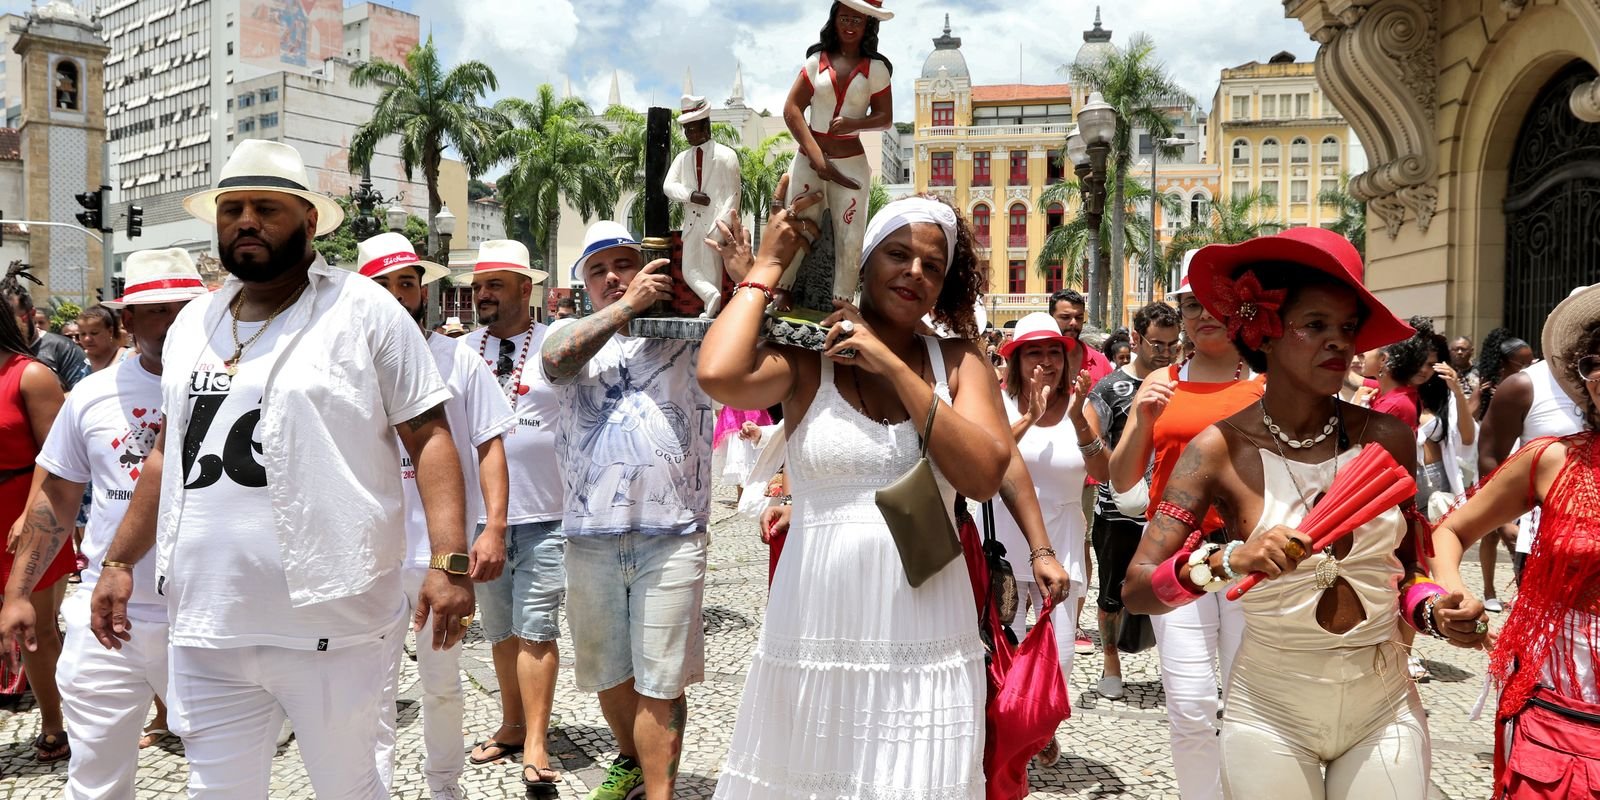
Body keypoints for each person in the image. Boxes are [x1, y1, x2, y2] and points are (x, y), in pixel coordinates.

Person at [86, 139, 475, 798]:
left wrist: (449, 562)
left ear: (309, 221)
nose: (245, 221)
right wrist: (120, 561)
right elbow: (165, 456)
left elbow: (429, 433)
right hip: (209, 623)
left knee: (350, 788)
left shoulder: (363, 310)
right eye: (232, 208)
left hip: (335, 623)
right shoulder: (192, 325)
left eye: (266, 208)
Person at [1122, 228, 1487, 799]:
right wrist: (1226, 561)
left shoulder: (1386, 436)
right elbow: (1138, 589)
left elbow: (1408, 573)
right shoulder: (1218, 449)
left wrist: (1438, 614)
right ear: (1264, 332)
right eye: (1316, 325)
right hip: (1269, 708)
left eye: (1347, 329)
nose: (1338, 343)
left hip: (1383, 701)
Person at [699, 194, 1009, 797]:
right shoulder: (809, 353)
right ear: (863, 261)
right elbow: (719, 373)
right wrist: (765, 267)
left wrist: (893, 366)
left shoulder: (959, 360)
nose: (914, 273)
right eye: (898, 254)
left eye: (932, 265)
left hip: (926, 623)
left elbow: (985, 474)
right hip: (819, 618)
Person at [0, 248, 207, 794]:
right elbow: (57, 498)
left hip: (209, 618)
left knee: (221, 774)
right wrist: (18, 594)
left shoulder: (239, 389)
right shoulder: (91, 396)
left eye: (185, 308)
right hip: (107, 616)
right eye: (157, 311)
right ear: (130, 322)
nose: (174, 322)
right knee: (94, 777)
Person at [540, 220, 716, 800]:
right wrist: (627, 308)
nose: (614, 277)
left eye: (624, 264)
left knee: (661, 679)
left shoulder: (683, 329)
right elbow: (557, 361)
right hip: (590, 536)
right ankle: (629, 759)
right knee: (608, 672)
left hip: (672, 535)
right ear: (583, 283)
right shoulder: (571, 330)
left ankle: (659, 792)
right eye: (599, 270)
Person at [357, 233, 518, 800]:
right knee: (370, 688)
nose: (398, 296)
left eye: (407, 283)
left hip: (439, 557)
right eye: (384, 285)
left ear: (422, 290)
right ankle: (370, 787)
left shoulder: (459, 360)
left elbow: (489, 446)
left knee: (441, 681)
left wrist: (493, 527)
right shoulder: (347, 365)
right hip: (370, 557)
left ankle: (444, 785)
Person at [1429, 283, 1600, 798]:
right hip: (1561, 709)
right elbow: (1451, 529)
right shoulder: (1553, 459)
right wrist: (1453, 596)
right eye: (1595, 361)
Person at [1107, 253, 1265, 800]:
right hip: (1177, 555)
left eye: (1214, 303)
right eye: (1191, 304)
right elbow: (1122, 475)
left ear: (1240, 309)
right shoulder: (1161, 382)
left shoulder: (1267, 385)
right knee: (1192, 702)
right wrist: (1142, 416)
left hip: (1252, 560)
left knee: (1251, 702)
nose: (1203, 315)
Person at [458, 239, 569, 793]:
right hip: (481, 521)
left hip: (547, 514)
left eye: (495, 285)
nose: (483, 295)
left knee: (537, 629)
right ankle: (510, 723)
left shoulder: (556, 345)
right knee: (500, 631)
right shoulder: (461, 351)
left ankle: (536, 741)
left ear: (528, 289)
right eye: (478, 287)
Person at [992, 310, 1106, 766]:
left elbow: (1103, 473)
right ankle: (1009, 751)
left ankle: (1038, 727)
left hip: (1060, 549)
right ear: (1016, 360)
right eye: (1033, 352)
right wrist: (1030, 417)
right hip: (1001, 547)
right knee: (1003, 659)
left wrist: (1077, 419)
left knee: (1056, 662)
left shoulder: (1086, 404)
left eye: (1053, 351)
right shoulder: (996, 404)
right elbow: (988, 461)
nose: (1045, 360)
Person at [773, 0, 894, 312]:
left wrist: (856, 123)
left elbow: (885, 118)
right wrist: (817, 158)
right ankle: (782, 288)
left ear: (868, 24)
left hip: (851, 162)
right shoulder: (816, 62)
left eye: (857, 19)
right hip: (807, 158)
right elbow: (792, 110)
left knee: (850, 233)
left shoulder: (876, 70)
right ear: (834, 18)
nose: (850, 25)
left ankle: (842, 301)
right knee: (797, 220)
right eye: (844, 17)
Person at [1087, 301, 1181, 700]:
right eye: (1156, 343)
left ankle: (1177, 667)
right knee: (1112, 592)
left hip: (1173, 510)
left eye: (1172, 345)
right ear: (1136, 339)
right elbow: (1092, 445)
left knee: (1174, 590)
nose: (1163, 352)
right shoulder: (1110, 388)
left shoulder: (1184, 383)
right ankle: (1111, 662)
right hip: (1117, 510)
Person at [0, 264, 70, 762]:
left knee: (36, 631)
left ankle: (56, 723)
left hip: (27, 511)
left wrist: (30, 516)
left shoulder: (31, 375)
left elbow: (58, 459)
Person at [1472, 327, 1540, 611]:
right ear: (1504, 363)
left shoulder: (1528, 386)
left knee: (1520, 535)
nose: (1528, 367)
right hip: (1493, 462)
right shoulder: (1491, 390)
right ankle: (1488, 589)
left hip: (1519, 460)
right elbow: (1474, 425)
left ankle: (1521, 589)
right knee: (1491, 532)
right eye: (1522, 363)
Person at [664, 94, 741, 316]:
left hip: (715, 222)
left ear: (706, 126)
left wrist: (722, 224)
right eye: (687, 130)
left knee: (712, 267)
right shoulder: (682, 158)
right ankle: (710, 295)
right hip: (692, 222)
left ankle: (712, 309)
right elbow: (668, 186)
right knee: (688, 269)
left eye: (694, 129)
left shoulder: (726, 156)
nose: (690, 134)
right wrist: (690, 195)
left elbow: (733, 194)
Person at [4, 262, 89, 391]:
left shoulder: (63, 349)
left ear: (32, 314)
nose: (6, 328)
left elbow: (82, 396)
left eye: (12, 321)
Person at [76, 305, 131, 373]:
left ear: (110, 331)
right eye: (83, 334)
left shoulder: (129, 358)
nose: (87, 339)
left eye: (94, 333)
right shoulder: (77, 360)